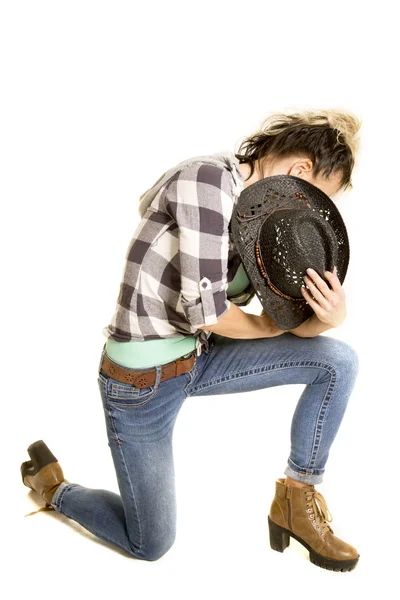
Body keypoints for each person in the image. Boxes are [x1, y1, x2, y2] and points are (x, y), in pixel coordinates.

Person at [21, 108, 361, 571]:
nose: (308, 212)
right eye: (315, 197)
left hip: (200, 359)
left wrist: (327, 319)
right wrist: (271, 326)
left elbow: (279, 323)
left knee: (337, 361)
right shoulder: (207, 180)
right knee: (151, 543)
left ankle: (296, 501)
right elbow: (210, 312)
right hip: (141, 384)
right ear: (300, 171)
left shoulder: (263, 225)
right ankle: (54, 489)